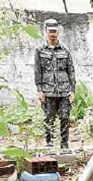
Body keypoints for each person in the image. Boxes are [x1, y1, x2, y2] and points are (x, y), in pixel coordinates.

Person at [34, 18, 76, 149]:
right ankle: (49, 143)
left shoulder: (65, 50)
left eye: (55, 31)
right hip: (48, 91)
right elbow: (37, 71)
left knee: (65, 118)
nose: (53, 34)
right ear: (45, 32)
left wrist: (72, 90)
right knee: (49, 119)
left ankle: (64, 144)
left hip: (64, 91)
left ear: (59, 32)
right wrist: (39, 90)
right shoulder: (39, 50)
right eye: (50, 31)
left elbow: (71, 70)